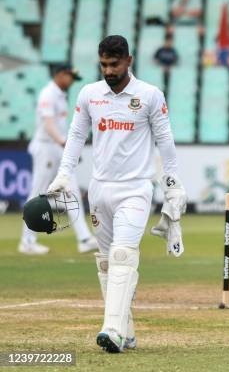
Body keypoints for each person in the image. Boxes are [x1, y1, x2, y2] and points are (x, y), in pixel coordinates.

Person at [47, 35, 186, 353]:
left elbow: (165, 139)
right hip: (100, 189)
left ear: (129, 61)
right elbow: (76, 134)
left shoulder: (149, 95)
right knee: (107, 264)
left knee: (124, 256)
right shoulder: (89, 94)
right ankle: (127, 332)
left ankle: (111, 329)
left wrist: (173, 182)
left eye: (114, 64)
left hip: (136, 189)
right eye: (104, 64)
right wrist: (65, 173)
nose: (108, 70)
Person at [19, 64, 98, 255]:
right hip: (46, 147)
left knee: (71, 191)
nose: (71, 82)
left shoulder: (59, 95)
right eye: (70, 77)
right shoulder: (48, 94)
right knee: (38, 194)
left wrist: (63, 146)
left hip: (56, 147)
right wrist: (64, 143)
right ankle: (27, 241)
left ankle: (84, 239)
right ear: (61, 75)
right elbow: (48, 125)